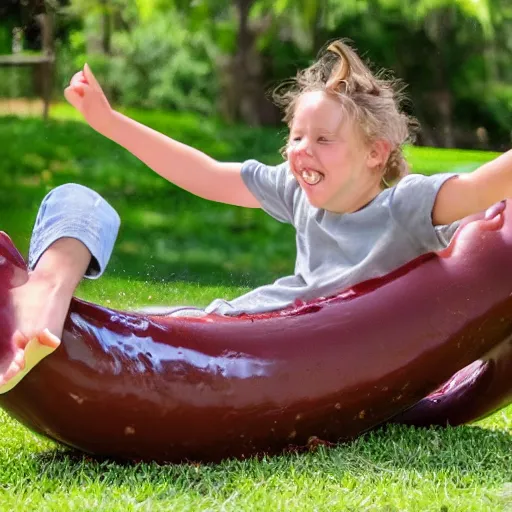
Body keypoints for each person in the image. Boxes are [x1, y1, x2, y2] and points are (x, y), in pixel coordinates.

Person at [2, 39, 512, 390]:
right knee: (81, 206)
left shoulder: (406, 206)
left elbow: (483, 185)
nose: (300, 151)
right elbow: (203, 173)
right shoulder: (295, 189)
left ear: (376, 153)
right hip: (247, 329)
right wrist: (112, 123)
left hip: (289, 351)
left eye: (323, 140)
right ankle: (45, 292)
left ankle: (46, 305)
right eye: (295, 136)